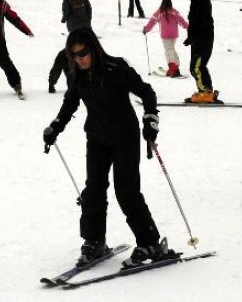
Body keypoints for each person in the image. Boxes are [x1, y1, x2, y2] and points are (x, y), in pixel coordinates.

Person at [42, 28, 179, 268]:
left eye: (83, 53)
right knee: (93, 190)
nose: (79, 59)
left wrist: (150, 120)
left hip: (124, 136)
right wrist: (55, 127)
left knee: (126, 191)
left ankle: (151, 243)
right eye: (74, 55)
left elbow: (147, 92)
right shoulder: (78, 76)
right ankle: (94, 241)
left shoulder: (116, 68)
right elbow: (70, 103)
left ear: (93, 48)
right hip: (96, 137)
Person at [181, 0, 218, 103]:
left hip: (202, 37)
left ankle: (206, 92)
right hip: (200, 37)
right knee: (198, 66)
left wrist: (192, 35)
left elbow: (197, 19)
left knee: (196, 67)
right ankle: (205, 90)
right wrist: (191, 36)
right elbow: (196, 20)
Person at [142, 0, 188, 77]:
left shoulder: (159, 12)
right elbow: (181, 21)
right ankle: (176, 68)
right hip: (174, 35)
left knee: (168, 50)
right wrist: (188, 27)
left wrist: (146, 29)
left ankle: (173, 69)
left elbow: (152, 21)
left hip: (165, 35)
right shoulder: (174, 11)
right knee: (171, 49)